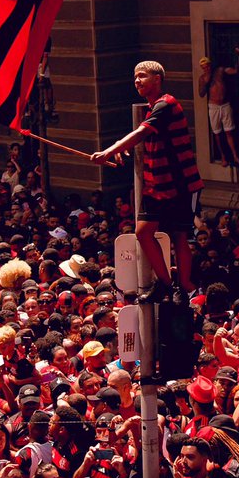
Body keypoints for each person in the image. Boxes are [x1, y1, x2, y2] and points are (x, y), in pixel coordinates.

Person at [91, 61, 202, 300]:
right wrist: (124, 149)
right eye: (135, 77)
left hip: (179, 183)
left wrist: (109, 151)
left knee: (179, 235)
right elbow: (141, 135)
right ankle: (165, 283)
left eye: (142, 76)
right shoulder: (151, 108)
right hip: (156, 185)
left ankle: (184, 284)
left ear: (157, 79)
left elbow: (140, 132)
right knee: (143, 233)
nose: (137, 81)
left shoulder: (166, 104)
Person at [197, 58, 239, 168]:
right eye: (204, 68)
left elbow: (234, 71)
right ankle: (223, 156)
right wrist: (206, 81)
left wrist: (237, 57)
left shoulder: (219, 71)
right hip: (213, 107)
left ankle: (235, 156)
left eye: (208, 66)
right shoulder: (202, 78)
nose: (207, 68)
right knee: (217, 133)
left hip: (225, 105)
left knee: (229, 131)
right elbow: (201, 94)